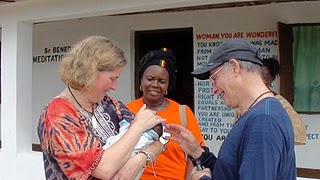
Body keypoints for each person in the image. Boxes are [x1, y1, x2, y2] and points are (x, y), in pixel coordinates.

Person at [37, 36, 165, 180]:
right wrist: (138, 127)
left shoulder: (109, 104)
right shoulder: (57, 115)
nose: (114, 86)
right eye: (112, 78)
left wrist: (137, 161)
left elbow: (160, 140)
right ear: (90, 73)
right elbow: (104, 169)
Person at [165, 39, 296, 180]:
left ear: (235, 67)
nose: (214, 90)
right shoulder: (262, 112)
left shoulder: (263, 120)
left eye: (214, 79)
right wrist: (197, 152)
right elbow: (230, 174)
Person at [126, 47, 205, 180]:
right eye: (150, 79)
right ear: (141, 80)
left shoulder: (182, 113)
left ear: (168, 85)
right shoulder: (126, 111)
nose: (155, 84)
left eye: (162, 81)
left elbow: (195, 154)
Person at [262, 57, 306, 145]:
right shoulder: (246, 99)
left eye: (265, 75)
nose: (261, 79)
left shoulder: (280, 102)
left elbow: (298, 132)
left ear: (272, 79)